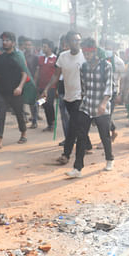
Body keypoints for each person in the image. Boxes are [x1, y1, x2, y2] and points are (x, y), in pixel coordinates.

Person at [65, 38, 114, 177]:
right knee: (81, 136)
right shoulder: (84, 66)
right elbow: (84, 86)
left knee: (104, 135)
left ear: (95, 52)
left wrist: (103, 104)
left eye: (90, 53)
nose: (87, 56)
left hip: (102, 106)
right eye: (85, 53)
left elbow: (109, 88)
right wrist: (82, 100)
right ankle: (77, 168)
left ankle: (109, 159)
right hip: (87, 105)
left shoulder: (106, 66)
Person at [0, 31, 33, 149]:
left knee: (19, 114)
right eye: (3, 40)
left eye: (7, 40)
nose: (4, 42)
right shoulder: (0, 58)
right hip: (2, 91)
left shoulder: (18, 57)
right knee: (0, 115)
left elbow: (24, 74)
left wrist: (20, 87)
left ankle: (23, 133)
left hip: (15, 92)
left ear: (13, 42)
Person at [48, 31, 85, 166]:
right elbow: (55, 75)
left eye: (79, 40)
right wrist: (47, 89)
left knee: (73, 126)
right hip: (68, 97)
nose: (77, 43)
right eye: (74, 40)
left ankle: (67, 155)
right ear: (67, 43)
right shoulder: (63, 57)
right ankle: (85, 146)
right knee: (77, 127)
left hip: (81, 97)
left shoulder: (85, 56)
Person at [36, 39, 58, 132]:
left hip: (51, 87)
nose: (43, 48)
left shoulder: (55, 59)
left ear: (50, 48)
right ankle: (49, 124)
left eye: (44, 47)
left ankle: (53, 123)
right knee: (44, 105)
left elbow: (57, 74)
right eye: (42, 46)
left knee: (49, 104)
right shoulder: (40, 58)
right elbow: (37, 71)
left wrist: (57, 88)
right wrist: (36, 83)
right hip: (41, 86)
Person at [20, 36, 38, 128]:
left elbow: (37, 70)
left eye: (29, 45)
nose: (28, 46)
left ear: (32, 46)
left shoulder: (35, 57)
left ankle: (34, 121)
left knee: (32, 103)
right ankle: (24, 119)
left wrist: (34, 82)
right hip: (22, 81)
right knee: (21, 101)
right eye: (26, 45)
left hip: (31, 82)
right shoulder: (21, 55)